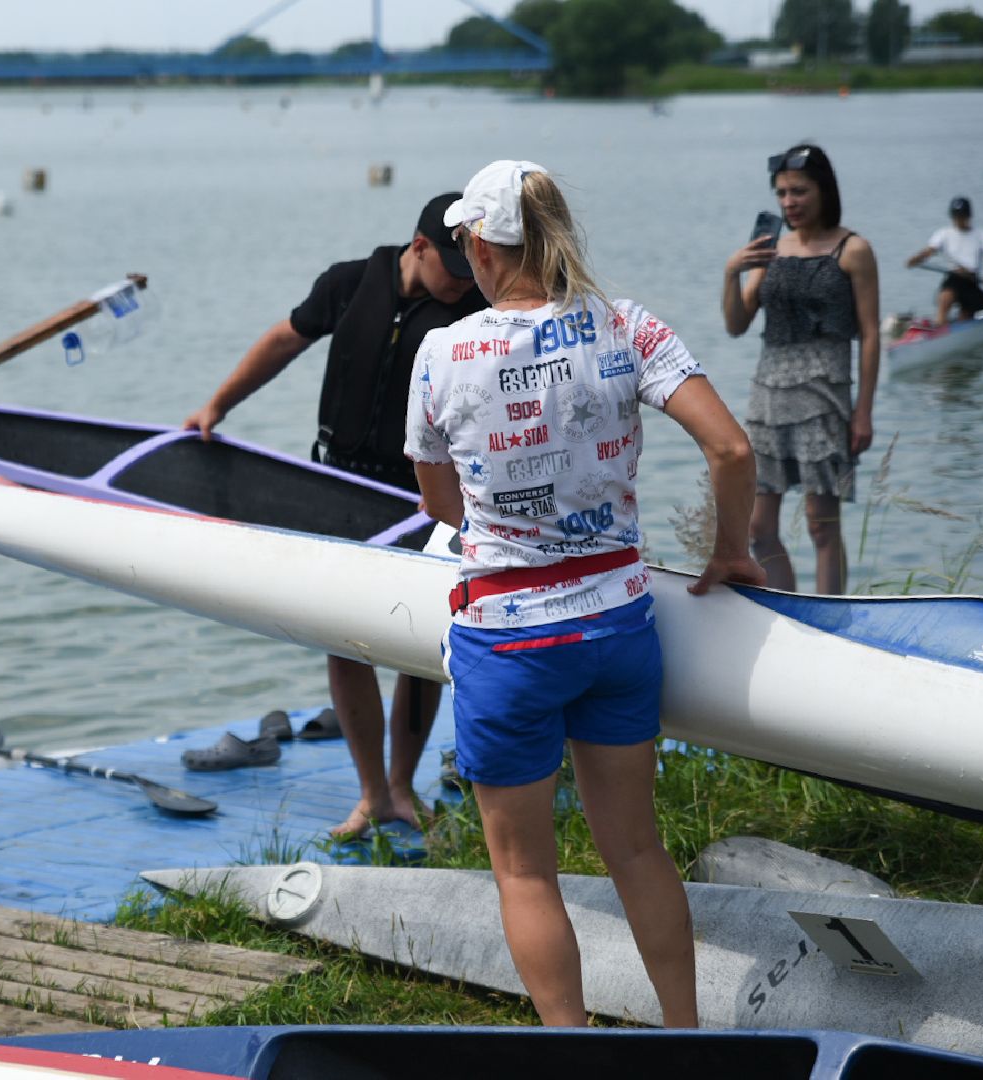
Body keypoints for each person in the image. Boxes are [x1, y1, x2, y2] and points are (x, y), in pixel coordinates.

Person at [406, 159, 765, 1027]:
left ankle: (572, 1051)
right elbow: (732, 452)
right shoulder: (627, 327)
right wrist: (732, 551)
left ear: (486, 250)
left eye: (465, 240)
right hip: (615, 625)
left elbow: (439, 504)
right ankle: (684, 1037)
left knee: (526, 871)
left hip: (509, 639)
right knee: (636, 850)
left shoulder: (443, 351)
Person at [184, 193, 487, 838]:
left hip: (421, 495)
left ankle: (404, 788)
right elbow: (281, 342)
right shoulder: (350, 282)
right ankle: (372, 793)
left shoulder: (477, 310)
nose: (464, 283)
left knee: (414, 645)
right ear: (420, 245)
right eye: (455, 269)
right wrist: (217, 406)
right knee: (344, 640)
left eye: (474, 270)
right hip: (337, 485)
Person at [721, 144, 880, 595]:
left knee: (821, 526)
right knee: (757, 527)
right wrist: (733, 271)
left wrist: (863, 411)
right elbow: (736, 324)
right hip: (768, 396)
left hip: (825, 396)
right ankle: (789, 609)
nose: (789, 202)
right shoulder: (770, 248)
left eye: (799, 191)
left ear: (823, 190)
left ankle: (831, 619)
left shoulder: (854, 250)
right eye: (782, 193)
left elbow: (871, 334)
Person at [905, 196, 983, 327]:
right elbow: (929, 251)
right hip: (954, 278)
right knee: (945, 297)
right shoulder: (944, 234)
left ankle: (963, 323)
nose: (959, 219)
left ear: (968, 216)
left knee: (968, 313)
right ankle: (940, 325)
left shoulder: (981, 234)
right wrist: (916, 259)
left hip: (972, 281)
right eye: (956, 216)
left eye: (962, 216)